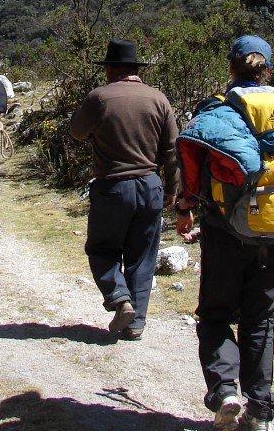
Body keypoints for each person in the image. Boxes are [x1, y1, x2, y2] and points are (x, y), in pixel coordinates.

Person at [175, 35, 274, 431]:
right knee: (261, 318)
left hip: (226, 227)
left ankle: (225, 389)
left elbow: (192, 166)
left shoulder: (218, 109)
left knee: (215, 313)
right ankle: (259, 409)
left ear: (231, 67)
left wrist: (185, 207)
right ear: (269, 68)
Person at [70, 38, 179, 341]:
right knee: (142, 256)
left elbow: (77, 132)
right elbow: (172, 150)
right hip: (151, 186)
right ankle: (135, 325)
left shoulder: (99, 97)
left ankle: (119, 297)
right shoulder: (159, 99)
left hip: (112, 188)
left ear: (110, 69)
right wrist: (172, 189)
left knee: (101, 249)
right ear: (135, 69)